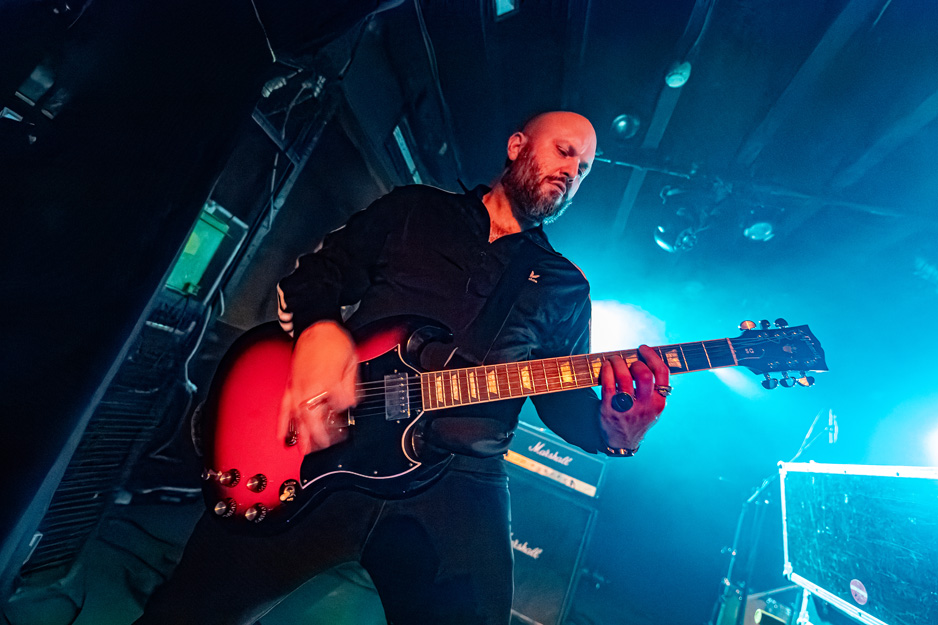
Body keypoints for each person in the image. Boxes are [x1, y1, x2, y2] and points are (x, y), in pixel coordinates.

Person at [135, 111, 669, 625]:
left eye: (584, 169)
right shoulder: (416, 210)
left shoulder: (565, 286)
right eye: (565, 152)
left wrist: (614, 432)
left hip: (460, 480)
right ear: (517, 146)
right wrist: (319, 332)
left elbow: (561, 401)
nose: (572, 172)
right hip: (330, 443)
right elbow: (317, 277)